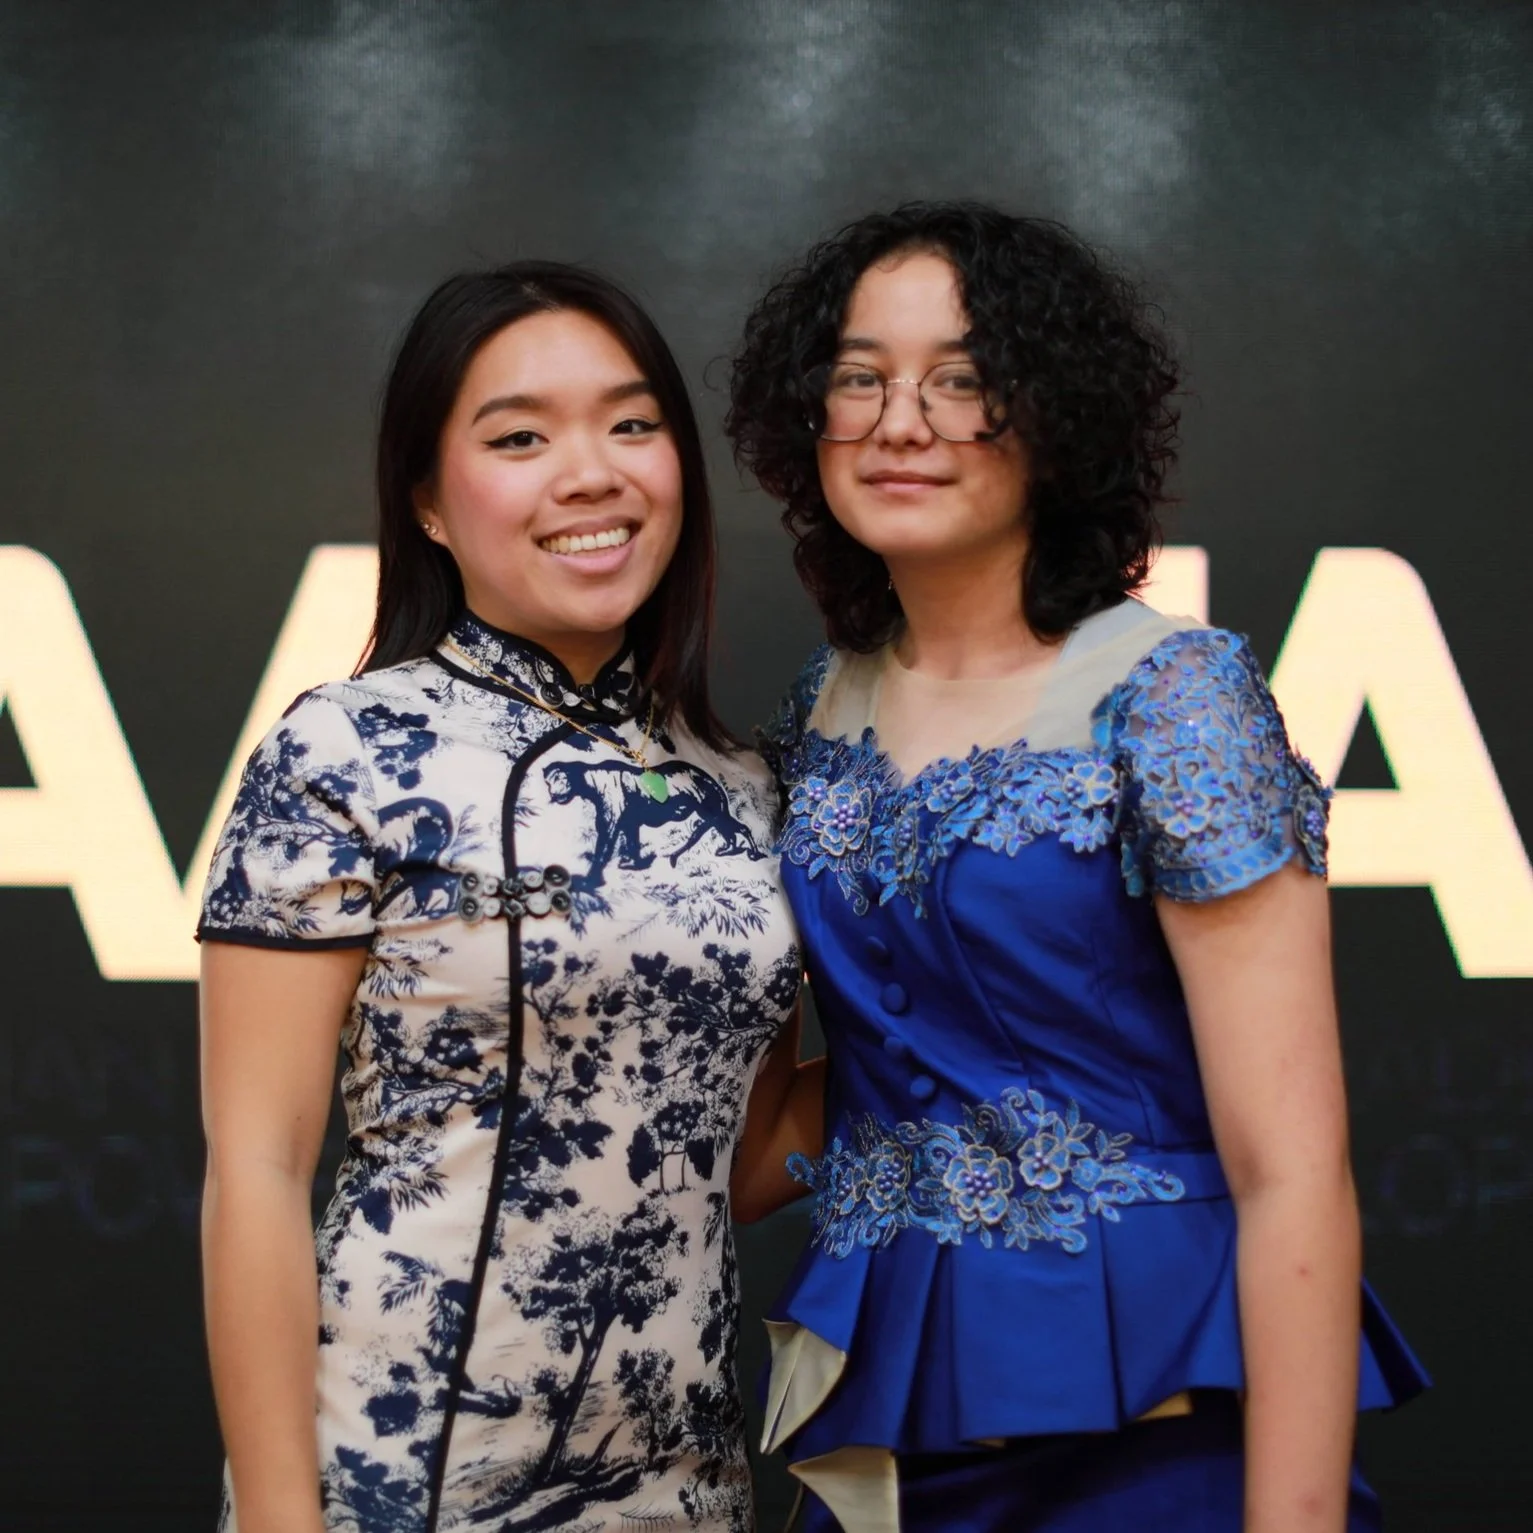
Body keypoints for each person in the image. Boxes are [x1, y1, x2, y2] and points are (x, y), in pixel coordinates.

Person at [725, 203, 1428, 1533]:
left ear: (1054, 416)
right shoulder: (819, 706)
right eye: (859, 378)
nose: (900, 422)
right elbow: (825, 1107)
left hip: (1150, 1453)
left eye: (962, 380)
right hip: (893, 1453)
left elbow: (1291, 1169)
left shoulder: (1174, 696)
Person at [198, 261, 815, 1533]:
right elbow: (257, 1166)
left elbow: (748, 1163)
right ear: (427, 500)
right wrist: (276, 1515)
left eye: (631, 424)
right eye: (520, 438)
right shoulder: (344, 750)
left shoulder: (741, 785)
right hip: (408, 1475)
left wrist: (988, 1031)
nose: (590, 473)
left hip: (688, 1487)